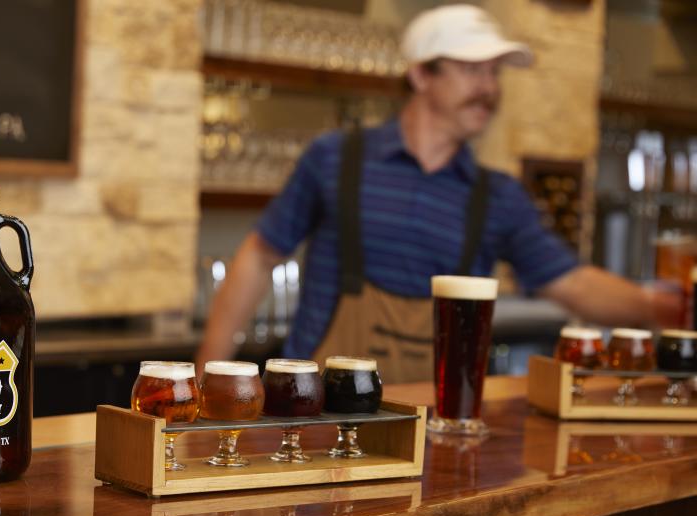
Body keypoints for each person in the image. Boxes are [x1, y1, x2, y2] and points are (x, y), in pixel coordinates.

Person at [196, 4, 681, 382]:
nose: (489, 88)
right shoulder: (335, 158)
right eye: (472, 70)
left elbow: (572, 283)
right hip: (317, 410)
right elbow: (259, 258)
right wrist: (205, 381)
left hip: (435, 422)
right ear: (421, 75)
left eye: (495, 73)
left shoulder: (497, 197)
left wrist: (659, 307)